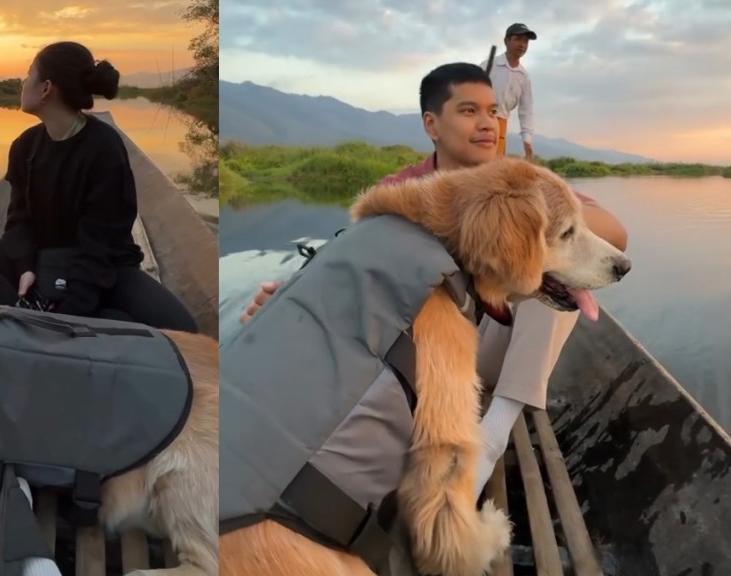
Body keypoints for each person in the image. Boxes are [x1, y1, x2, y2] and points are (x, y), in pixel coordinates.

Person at [238, 62, 628, 496]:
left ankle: (494, 433)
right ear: (431, 124)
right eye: (468, 111)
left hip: (496, 347)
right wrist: (292, 299)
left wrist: (545, 226)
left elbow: (615, 233)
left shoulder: (525, 188)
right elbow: (355, 268)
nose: (487, 124)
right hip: (423, 354)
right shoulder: (403, 190)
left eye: (493, 111)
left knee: (552, 272)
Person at [0, 41, 198, 334]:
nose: (23, 81)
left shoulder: (104, 148)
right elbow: (18, 221)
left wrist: (68, 312)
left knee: (182, 329)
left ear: (45, 88)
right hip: (42, 258)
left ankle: (53, 314)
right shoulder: (25, 146)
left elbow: (102, 243)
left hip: (104, 266)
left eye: (28, 73)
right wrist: (25, 267)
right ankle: (29, 305)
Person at [480, 23, 537, 159]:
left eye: (525, 41)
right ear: (506, 41)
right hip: (480, 121)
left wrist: (527, 139)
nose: (522, 44)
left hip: (501, 126)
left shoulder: (523, 76)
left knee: (495, 170)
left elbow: (526, 110)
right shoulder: (489, 66)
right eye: (518, 39)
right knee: (477, 167)